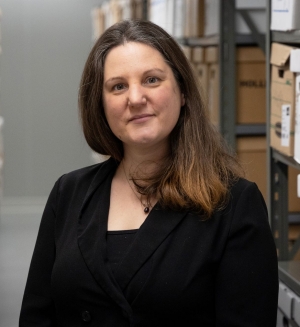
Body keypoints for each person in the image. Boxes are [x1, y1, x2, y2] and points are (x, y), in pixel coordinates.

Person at [19, 19, 278, 327]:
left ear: (182, 92)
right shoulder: (69, 193)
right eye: (118, 86)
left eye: (152, 80)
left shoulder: (234, 203)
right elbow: (36, 317)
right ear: (100, 105)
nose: (136, 98)